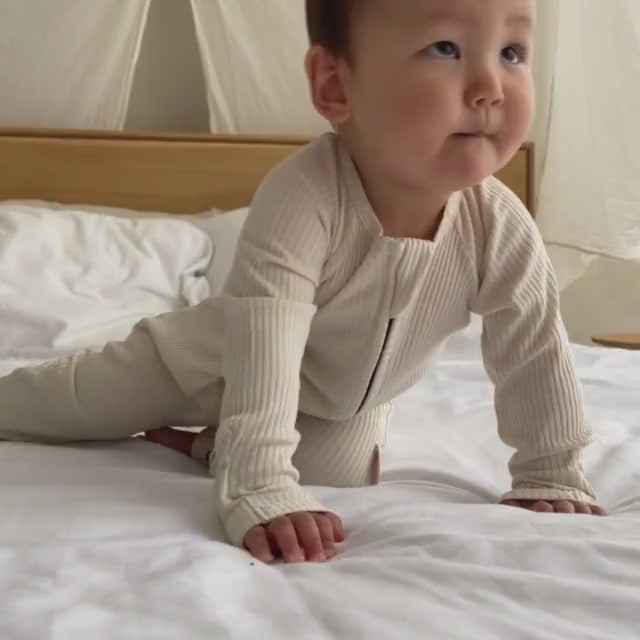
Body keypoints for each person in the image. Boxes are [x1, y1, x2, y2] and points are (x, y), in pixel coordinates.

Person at [0, 0, 605, 565]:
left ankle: (204, 447)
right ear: (335, 85)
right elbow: (267, 336)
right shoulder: (306, 197)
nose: (490, 87)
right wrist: (260, 485)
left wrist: (551, 470)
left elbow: (534, 350)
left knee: (337, 474)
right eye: (445, 48)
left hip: (339, 406)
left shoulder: (499, 224)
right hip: (204, 364)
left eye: (512, 52)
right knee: (69, 404)